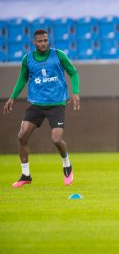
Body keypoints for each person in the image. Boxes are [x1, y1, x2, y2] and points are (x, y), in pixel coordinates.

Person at [3, 29, 80, 188]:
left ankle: (67, 165)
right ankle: (26, 175)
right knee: (22, 137)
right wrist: (12, 97)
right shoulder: (28, 59)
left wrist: (76, 92)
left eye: (45, 40)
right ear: (34, 42)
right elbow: (22, 78)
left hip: (57, 103)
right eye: (40, 41)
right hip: (36, 104)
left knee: (56, 140)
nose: (43, 43)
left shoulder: (58, 55)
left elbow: (73, 72)